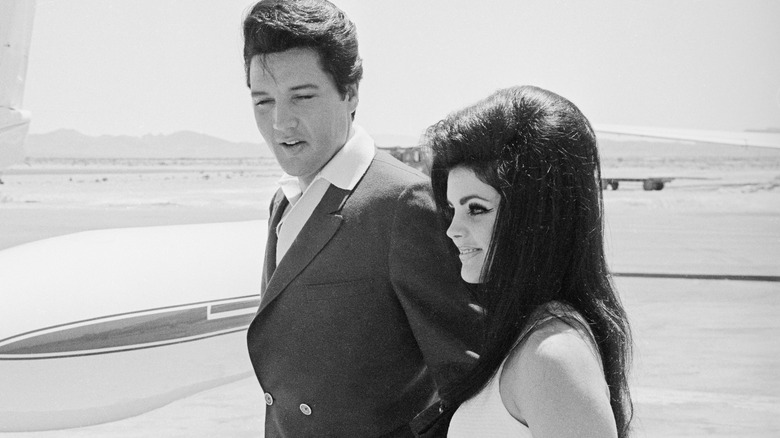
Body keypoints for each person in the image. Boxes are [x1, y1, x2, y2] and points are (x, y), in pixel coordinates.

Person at [242, 1, 481, 437]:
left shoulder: (404, 202)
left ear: (350, 92)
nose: (280, 122)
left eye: (302, 96)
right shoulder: (285, 198)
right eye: (263, 101)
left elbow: (466, 376)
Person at [423, 85, 633, 437]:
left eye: (476, 209)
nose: (453, 230)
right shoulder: (530, 336)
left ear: (538, 215)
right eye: (452, 208)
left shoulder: (554, 357)